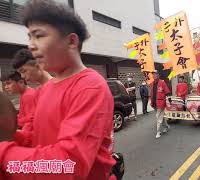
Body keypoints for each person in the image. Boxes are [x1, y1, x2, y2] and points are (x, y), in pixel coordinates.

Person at [0, 0, 115, 179]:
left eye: (38, 36)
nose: (30, 45)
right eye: (29, 37)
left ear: (71, 41)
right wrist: (13, 137)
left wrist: (4, 154)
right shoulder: (45, 89)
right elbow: (36, 138)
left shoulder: (90, 87)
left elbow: (68, 165)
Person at [1, 72, 35, 146]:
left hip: (30, 134)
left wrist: (15, 123)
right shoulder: (25, 94)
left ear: (21, 82)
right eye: (5, 85)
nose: (6, 87)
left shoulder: (28, 95)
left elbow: (31, 118)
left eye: (8, 83)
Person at [150, 70, 171, 139]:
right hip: (154, 103)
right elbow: (151, 93)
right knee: (161, 117)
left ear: (158, 75)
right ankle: (167, 126)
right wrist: (151, 102)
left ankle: (158, 132)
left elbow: (167, 92)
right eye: (153, 74)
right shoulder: (152, 83)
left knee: (158, 117)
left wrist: (169, 100)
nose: (154, 75)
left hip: (161, 103)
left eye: (155, 74)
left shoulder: (162, 82)